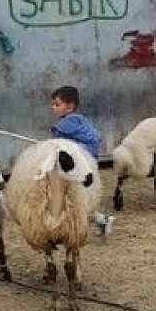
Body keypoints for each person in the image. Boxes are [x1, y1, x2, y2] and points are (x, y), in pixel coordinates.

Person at [49, 85, 113, 239]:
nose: (53, 108)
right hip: (88, 163)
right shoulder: (80, 120)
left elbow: (56, 137)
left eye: (57, 104)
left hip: (79, 166)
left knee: (75, 199)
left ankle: (99, 220)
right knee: (78, 199)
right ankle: (101, 220)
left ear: (70, 107)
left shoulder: (67, 123)